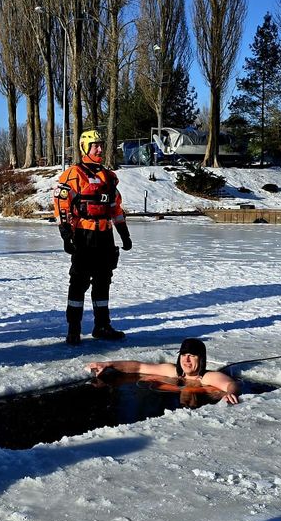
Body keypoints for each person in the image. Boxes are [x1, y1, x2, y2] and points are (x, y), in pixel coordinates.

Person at [55, 129, 132, 345]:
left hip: (105, 236)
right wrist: (66, 234)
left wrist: (123, 233)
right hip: (84, 235)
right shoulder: (73, 174)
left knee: (103, 281)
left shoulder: (109, 176)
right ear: (84, 148)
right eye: (95, 145)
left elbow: (115, 208)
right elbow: (61, 206)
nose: (99, 149)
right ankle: (74, 327)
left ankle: (102, 325)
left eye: (100, 144)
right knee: (78, 281)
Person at [86, 338, 240, 404]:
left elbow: (230, 384)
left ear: (201, 359)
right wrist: (109, 364)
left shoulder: (206, 378)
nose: (186, 360)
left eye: (192, 356)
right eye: (184, 355)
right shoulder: (173, 371)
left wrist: (229, 393)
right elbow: (138, 367)